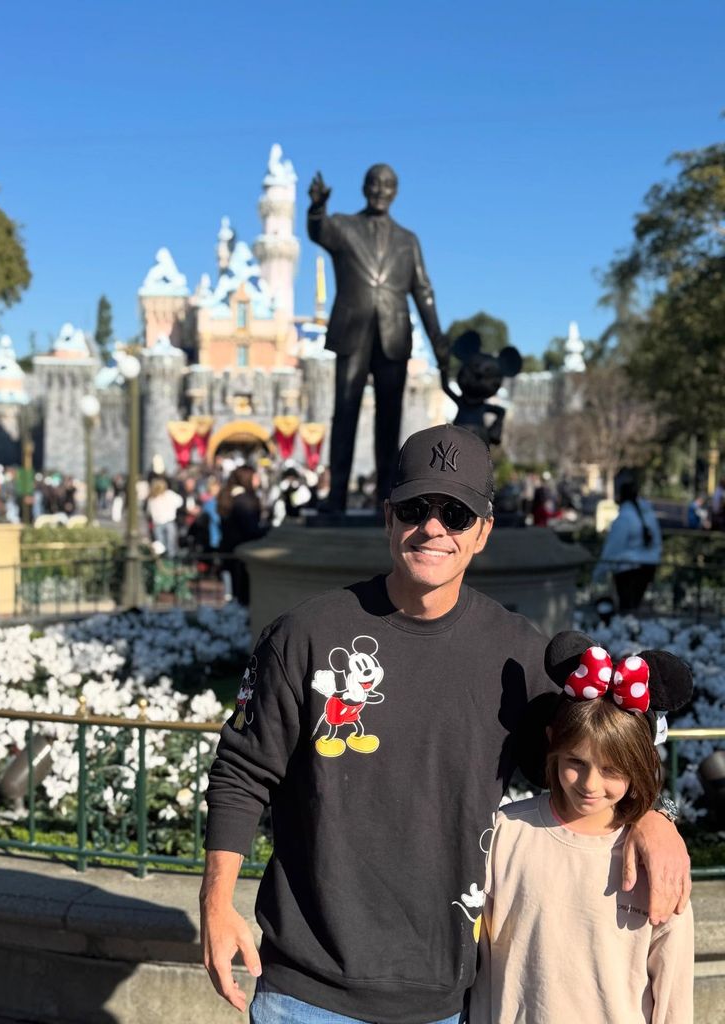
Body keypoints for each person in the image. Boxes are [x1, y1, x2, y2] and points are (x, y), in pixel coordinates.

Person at [200, 424, 691, 1024]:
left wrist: (653, 819)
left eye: (455, 513)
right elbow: (243, 770)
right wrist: (216, 903)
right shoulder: (304, 634)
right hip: (305, 990)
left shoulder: (519, 656)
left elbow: (598, 756)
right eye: (415, 508)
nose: (432, 527)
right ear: (388, 517)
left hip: (444, 997)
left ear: (483, 531)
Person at [470, 630, 694, 1023]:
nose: (590, 784)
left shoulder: (659, 864)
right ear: (551, 743)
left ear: (639, 765)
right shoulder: (505, 834)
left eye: (611, 770)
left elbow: (673, 994)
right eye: (576, 762)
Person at [307, 164, 450, 511]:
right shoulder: (344, 226)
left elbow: (424, 292)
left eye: (388, 186)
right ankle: (336, 496)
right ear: (364, 187)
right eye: (374, 184)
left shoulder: (407, 240)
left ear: (396, 192)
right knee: (344, 413)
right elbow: (319, 231)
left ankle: (387, 497)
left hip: (393, 334)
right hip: (352, 330)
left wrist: (438, 340)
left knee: (390, 418)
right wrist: (317, 209)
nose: (380, 191)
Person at [593, 480, 662, 612]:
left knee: (627, 608)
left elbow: (612, 549)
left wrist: (598, 573)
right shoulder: (648, 514)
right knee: (634, 606)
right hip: (648, 566)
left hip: (628, 569)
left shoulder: (625, 517)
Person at [218, 466, 268, 604]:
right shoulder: (243, 500)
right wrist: (269, 531)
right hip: (241, 552)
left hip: (230, 548)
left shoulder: (230, 496)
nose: (258, 480)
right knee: (242, 595)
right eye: (255, 477)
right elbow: (250, 530)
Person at [147, 478, 184, 558]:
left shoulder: (169, 494)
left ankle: (169, 561)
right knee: (161, 546)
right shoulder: (153, 498)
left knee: (170, 545)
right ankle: (163, 562)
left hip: (167, 522)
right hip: (159, 523)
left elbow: (180, 502)